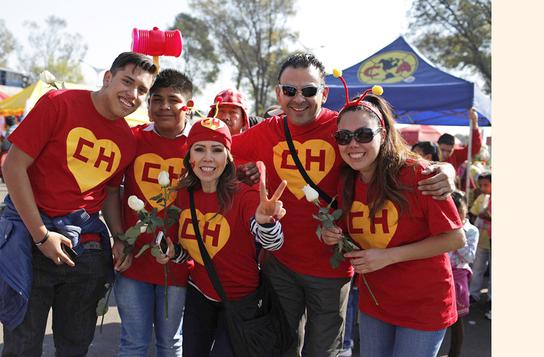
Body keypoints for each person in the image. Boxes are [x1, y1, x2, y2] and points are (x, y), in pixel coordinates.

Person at [231, 53, 458, 356]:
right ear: (278, 93)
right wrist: (243, 173)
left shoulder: (345, 125)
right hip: (281, 264)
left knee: (323, 351)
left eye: (309, 91)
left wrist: (448, 171)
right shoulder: (266, 132)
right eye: (290, 90)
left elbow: (394, 152)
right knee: (283, 346)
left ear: (324, 93)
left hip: (331, 270)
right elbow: (216, 153)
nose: (299, 99)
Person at [0, 52, 158, 356]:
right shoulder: (58, 103)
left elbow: (110, 193)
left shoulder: (127, 140)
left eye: (142, 90)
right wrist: (41, 235)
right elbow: (14, 166)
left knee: (75, 346)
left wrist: (118, 236)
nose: (133, 94)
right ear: (107, 77)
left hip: (85, 250)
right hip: (29, 241)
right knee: (22, 347)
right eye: (127, 81)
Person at [325, 89, 465, 357]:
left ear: (384, 135)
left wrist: (389, 256)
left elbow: (455, 238)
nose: (353, 144)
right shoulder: (346, 181)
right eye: (343, 136)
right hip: (375, 301)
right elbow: (358, 234)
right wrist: (333, 235)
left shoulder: (418, 174)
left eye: (364, 135)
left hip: (423, 305)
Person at [157, 117, 288, 356]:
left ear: (228, 156)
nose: (208, 158)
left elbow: (274, 243)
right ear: (190, 157)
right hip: (200, 295)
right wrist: (173, 253)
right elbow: (189, 254)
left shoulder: (244, 195)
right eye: (199, 149)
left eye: (217, 150)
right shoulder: (183, 194)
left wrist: (265, 223)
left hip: (242, 302)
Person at [114, 69, 193, 357]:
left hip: (178, 262)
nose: (164, 107)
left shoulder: (200, 145)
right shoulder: (131, 138)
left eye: (173, 100)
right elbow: (111, 190)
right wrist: (118, 237)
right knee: (132, 342)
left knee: (170, 343)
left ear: (189, 105)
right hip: (133, 259)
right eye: (156, 99)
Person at [445, 190, 478, 357]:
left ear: (466, 209)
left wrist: (458, 238)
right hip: (441, 273)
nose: (456, 215)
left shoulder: (471, 231)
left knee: (457, 320)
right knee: (436, 316)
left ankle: (454, 353)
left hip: (458, 276)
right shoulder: (442, 225)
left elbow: (470, 257)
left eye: (459, 211)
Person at [468, 171, 492, 319]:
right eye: (481, 185)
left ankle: (491, 299)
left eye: (486, 185)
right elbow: (474, 213)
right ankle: (473, 294)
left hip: (490, 239)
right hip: (482, 240)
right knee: (477, 268)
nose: (483, 188)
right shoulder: (482, 198)